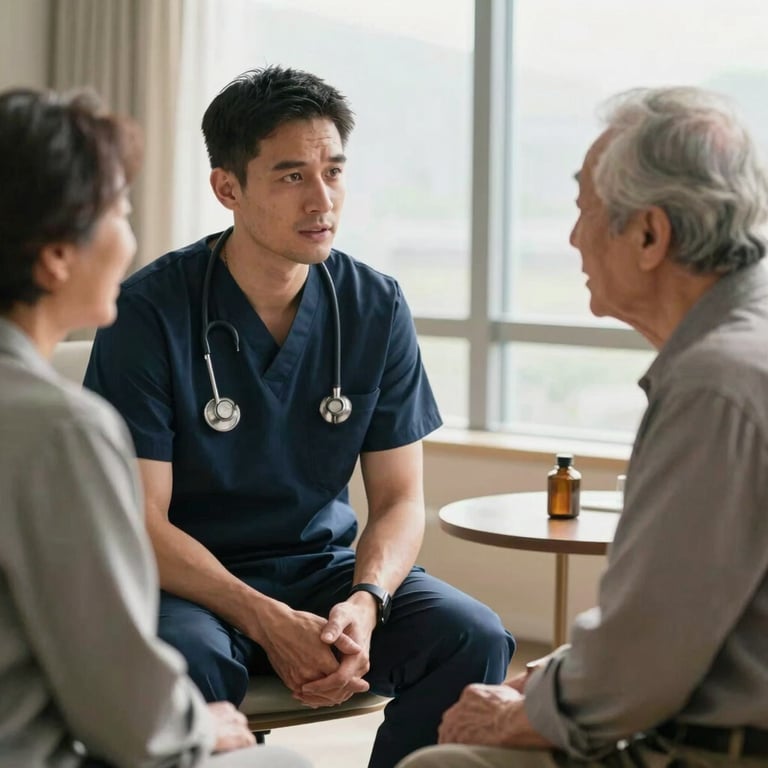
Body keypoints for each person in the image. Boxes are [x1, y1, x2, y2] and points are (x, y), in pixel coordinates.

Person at [83, 65, 515, 768]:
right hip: (189, 583)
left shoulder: (375, 306)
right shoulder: (150, 312)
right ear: (228, 187)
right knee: (181, 663)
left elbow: (402, 500)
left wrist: (367, 600)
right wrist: (265, 617)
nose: (323, 200)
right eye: (291, 176)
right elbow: (140, 520)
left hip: (322, 571)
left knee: (472, 636)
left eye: (334, 172)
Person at [396, 85, 768, 768]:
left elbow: (648, 655)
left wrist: (527, 710)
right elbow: (676, 618)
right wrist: (548, 683)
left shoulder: (715, 384)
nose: (572, 239)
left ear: (650, 234)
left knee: (439, 763)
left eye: (583, 212)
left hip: (718, 750)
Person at [0, 87, 311, 768]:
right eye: (120, 211)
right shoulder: (59, 432)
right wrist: (202, 729)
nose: (130, 237)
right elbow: (128, 717)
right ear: (56, 255)